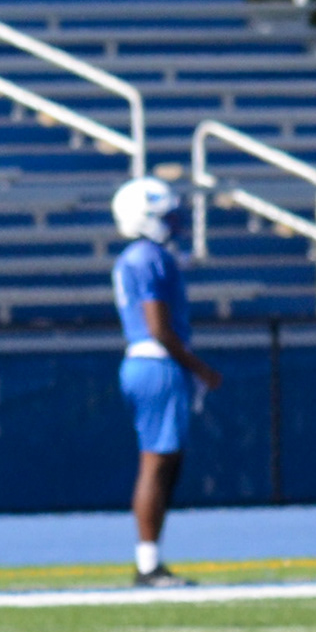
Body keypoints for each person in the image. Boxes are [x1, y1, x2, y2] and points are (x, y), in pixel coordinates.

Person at [113, 176, 220, 587]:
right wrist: (198, 367)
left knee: (162, 462)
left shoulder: (140, 257)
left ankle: (149, 561)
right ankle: (148, 564)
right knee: (157, 462)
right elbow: (158, 326)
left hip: (144, 361)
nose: (174, 223)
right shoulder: (148, 257)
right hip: (157, 363)